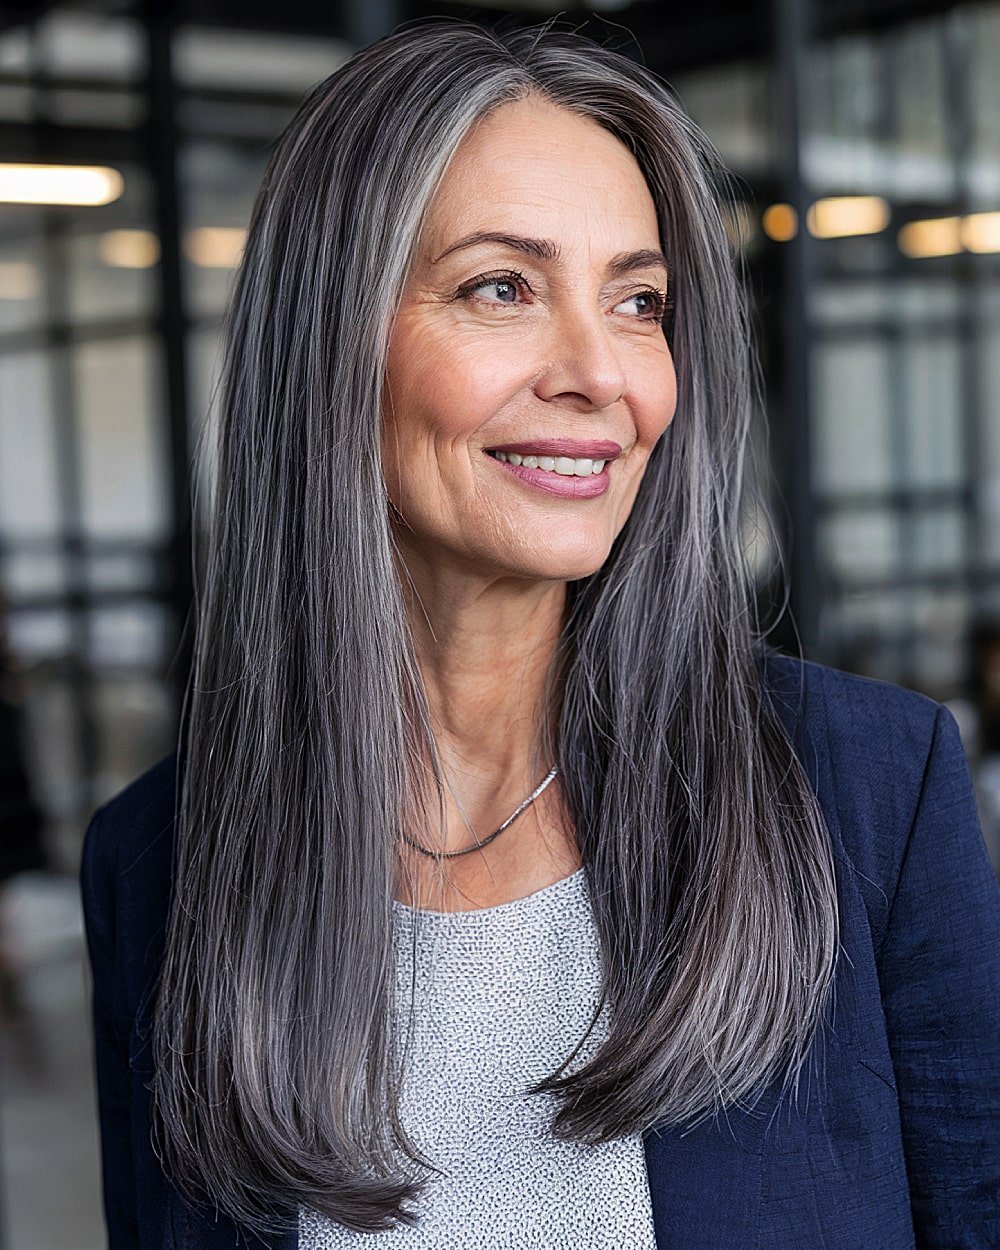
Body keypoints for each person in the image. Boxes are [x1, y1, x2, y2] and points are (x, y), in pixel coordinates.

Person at [79, 18, 1000, 1250]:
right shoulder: (160, 864)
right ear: (329, 343)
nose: (599, 371)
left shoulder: (869, 791)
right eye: (500, 287)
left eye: (638, 301)